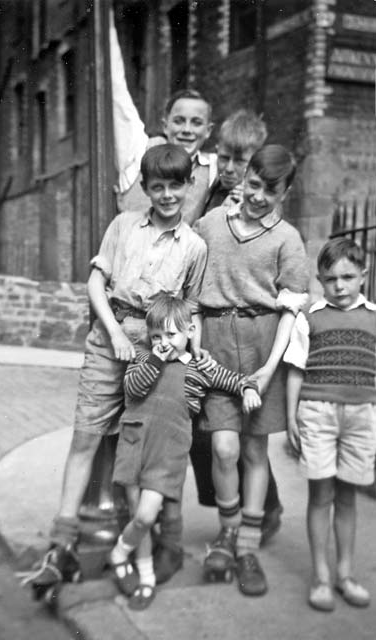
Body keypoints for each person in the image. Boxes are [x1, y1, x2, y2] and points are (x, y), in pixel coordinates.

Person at [22, 143, 208, 601]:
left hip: (159, 348)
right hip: (111, 338)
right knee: (86, 435)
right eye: (158, 186)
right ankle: (61, 544)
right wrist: (116, 334)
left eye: (175, 186)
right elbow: (95, 283)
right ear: (145, 189)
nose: (167, 195)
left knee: (147, 451)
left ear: (189, 186)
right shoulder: (124, 225)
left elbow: (191, 311)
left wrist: (192, 362)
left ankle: (147, 551)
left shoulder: (195, 246)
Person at [194, 144, 309, 596]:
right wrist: (195, 349)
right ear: (245, 178)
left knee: (254, 450)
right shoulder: (210, 224)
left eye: (271, 190)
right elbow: (190, 281)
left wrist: (268, 369)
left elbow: (291, 310)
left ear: (287, 190)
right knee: (223, 447)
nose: (260, 196)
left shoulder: (288, 239)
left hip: (263, 344)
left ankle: (247, 546)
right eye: (255, 185)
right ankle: (226, 530)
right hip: (216, 344)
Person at [109, 294, 261, 610]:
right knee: (141, 516)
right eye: (156, 336)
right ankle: (146, 578)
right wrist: (156, 358)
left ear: (190, 331)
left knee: (146, 515)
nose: (163, 342)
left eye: (171, 335)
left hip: (168, 452)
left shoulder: (199, 368)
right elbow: (133, 389)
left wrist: (248, 389)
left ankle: (120, 552)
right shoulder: (142, 357)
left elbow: (231, 380)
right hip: (136, 442)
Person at [189, 109, 284, 549]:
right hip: (207, 330)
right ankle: (233, 516)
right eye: (223, 158)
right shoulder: (211, 196)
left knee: (248, 437)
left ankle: (264, 512)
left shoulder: (258, 208)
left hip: (248, 332)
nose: (228, 169)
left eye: (239, 162)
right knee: (215, 435)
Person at [284, 237, 376, 612]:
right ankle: (321, 576)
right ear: (319, 280)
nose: (339, 286)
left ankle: (345, 574)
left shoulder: (373, 319)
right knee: (320, 495)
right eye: (330, 279)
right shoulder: (310, 319)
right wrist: (291, 416)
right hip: (317, 413)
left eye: (347, 277)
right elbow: (295, 370)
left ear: (363, 276)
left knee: (348, 496)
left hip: (361, 415)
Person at [116, 88, 217, 226]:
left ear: (208, 130)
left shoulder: (213, 167)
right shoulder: (141, 150)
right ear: (165, 126)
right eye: (178, 121)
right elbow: (118, 98)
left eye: (196, 123)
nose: (187, 130)